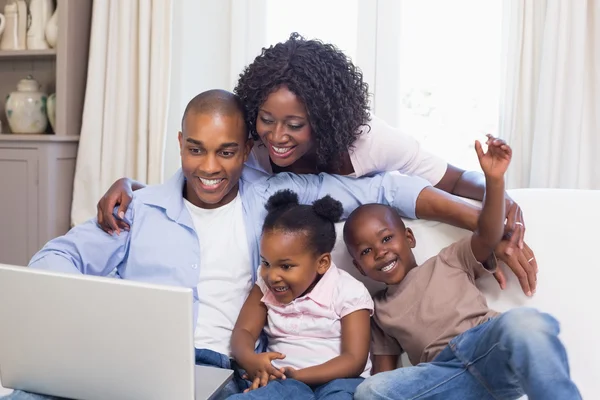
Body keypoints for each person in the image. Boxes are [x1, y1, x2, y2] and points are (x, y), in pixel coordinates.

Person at [2, 89, 484, 400]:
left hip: (224, 374)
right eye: (196, 149)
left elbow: (384, 189)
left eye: (226, 152)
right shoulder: (139, 209)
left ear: (247, 149)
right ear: (180, 143)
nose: (209, 167)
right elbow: (57, 257)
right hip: (129, 369)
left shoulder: (275, 200)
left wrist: (487, 215)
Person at [97, 33, 537, 296]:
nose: (277, 138)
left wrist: (501, 206)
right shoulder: (252, 148)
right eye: (266, 121)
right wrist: (134, 187)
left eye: (295, 125)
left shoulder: (369, 141)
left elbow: (455, 179)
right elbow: (205, 174)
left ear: (323, 120)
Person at [343, 136, 581, 400]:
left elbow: (488, 235)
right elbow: (383, 375)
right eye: (366, 252)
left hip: (487, 350)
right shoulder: (379, 311)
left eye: (387, 238)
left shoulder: (449, 259)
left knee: (526, 323)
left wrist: (494, 181)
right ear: (359, 267)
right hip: (443, 377)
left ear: (409, 238)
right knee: (369, 391)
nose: (380, 252)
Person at [229, 191, 373, 399]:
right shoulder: (264, 287)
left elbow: (354, 359)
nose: (272, 276)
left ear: (322, 263)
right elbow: (243, 330)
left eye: (286, 266)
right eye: (266, 263)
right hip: (284, 383)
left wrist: (299, 375)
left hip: (340, 381)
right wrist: (250, 359)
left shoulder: (348, 290)